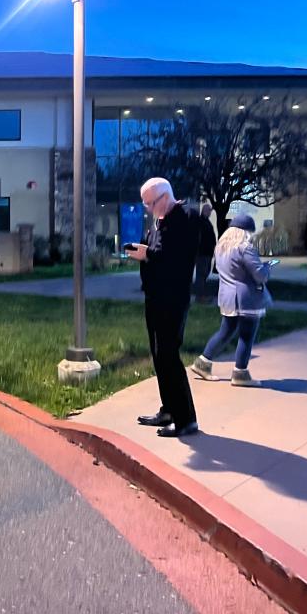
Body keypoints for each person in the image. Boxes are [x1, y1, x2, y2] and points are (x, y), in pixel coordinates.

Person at [126, 177, 200, 438]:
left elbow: (174, 259)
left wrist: (147, 254)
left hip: (173, 298)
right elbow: (156, 254)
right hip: (155, 297)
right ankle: (169, 409)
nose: (147, 208)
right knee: (159, 355)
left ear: (165, 197)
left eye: (150, 203)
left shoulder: (184, 218)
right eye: (145, 203)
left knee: (169, 355)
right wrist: (144, 253)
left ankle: (186, 419)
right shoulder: (158, 222)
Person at [190, 214, 272, 387]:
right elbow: (260, 275)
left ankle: (202, 363)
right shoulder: (245, 248)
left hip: (227, 296)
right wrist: (267, 268)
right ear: (246, 232)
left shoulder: (221, 248)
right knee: (247, 335)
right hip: (246, 297)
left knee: (225, 331)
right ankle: (240, 373)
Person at [193, 203, 216, 302]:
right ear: (204, 210)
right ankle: (200, 296)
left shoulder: (206, 222)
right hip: (202, 253)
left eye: (210, 211)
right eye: (208, 211)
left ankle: (202, 295)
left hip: (207, 253)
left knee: (204, 274)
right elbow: (199, 238)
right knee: (201, 274)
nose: (210, 213)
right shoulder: (200, 222)